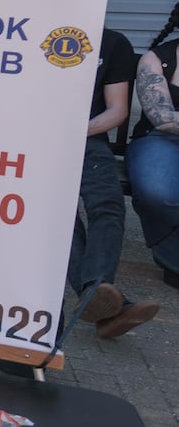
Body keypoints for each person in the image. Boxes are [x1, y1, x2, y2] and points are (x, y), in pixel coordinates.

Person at [68, 28, 158, 337]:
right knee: (60, 216)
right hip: (32, 141)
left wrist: (73, 132)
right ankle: (108, 303)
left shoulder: (112, 42)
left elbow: (117, 110)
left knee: (107, 204)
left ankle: (95, 292)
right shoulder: (28, 29)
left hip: (87, 138)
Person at [128, 2, 179, 292]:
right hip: (161, 140)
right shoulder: (156, 59)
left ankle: (173, 258)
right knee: (157, 192)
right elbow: (161, 118)